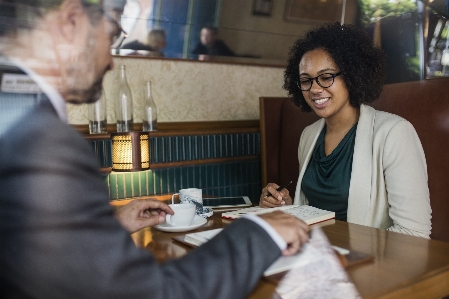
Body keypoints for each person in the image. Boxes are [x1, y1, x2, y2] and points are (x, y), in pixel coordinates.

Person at [0, 1, 310, 298]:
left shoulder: (15, 115)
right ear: (71, 21)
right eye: (110, 37)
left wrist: (108, 228)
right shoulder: (41, 140)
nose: (110, 61)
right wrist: (259, 232)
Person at [259, 22, 432, 239]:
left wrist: (346, 256)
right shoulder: (309, 136)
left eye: (326, 77)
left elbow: (414, 233)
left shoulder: (394, 133)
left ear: (351, 75)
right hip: (314, 255)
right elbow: (317, 212)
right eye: (306, 80)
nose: (314, 89)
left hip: (367, 264)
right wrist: (285, 205)